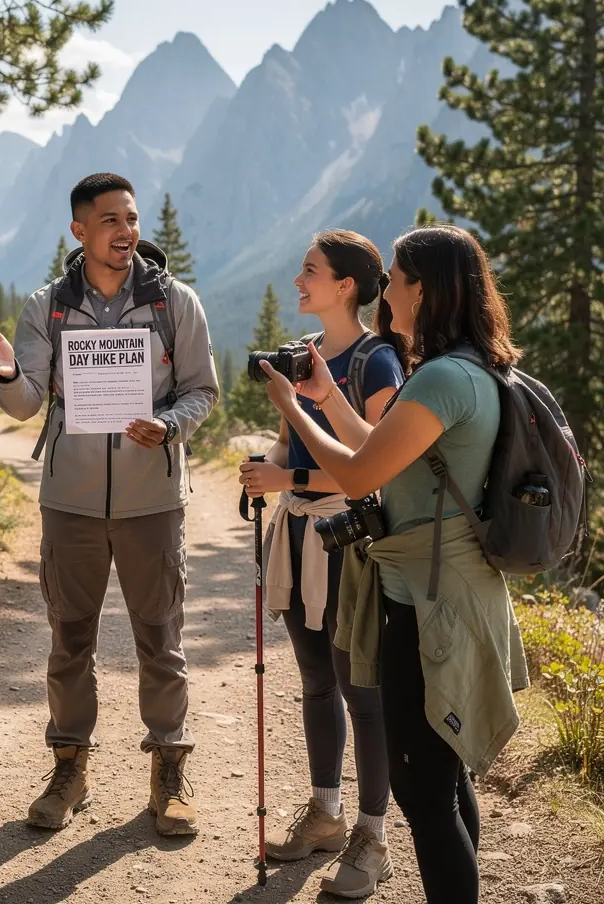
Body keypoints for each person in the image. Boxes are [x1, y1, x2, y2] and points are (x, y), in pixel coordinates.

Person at [261, 225, 529, 904]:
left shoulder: (440, 377)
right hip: (443, 585)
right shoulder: (467, 367)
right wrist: (325, 398)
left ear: (424, 289)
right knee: (444, 777)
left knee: (423, 790)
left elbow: (357, 475)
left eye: (399, 281)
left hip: (435, 599)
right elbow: (384, 448)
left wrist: (292, 408)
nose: (390, 294)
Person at [0, 173, 219, 837]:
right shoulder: (48, 307)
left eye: (130, 218)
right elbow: (24, 405)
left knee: (160, 639)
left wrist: (169, 425)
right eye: (110, 220)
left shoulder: (174, 303)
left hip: (153, 501)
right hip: (70, 502)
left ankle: (169, 770)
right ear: (80, 230)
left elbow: (202, 391)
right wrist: (4, 373)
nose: (126, 230)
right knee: (69, 639)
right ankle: (69, 768)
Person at [238, 230, 404, 898]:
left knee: (361, 689)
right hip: (302, 536)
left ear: (346, 287)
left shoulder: (378, 361)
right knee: (314, 679)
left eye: (310, 271)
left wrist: (289, 482)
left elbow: (381, 463)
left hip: (352, 543)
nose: (299, 281)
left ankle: (373, 836)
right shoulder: (306, 357)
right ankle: (327, 815)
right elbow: (287, 444)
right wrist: (266, 469)